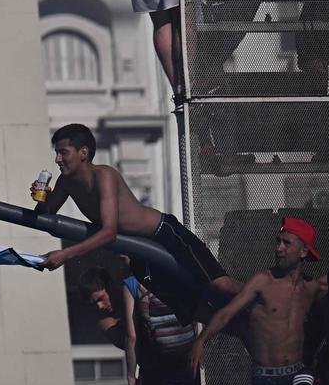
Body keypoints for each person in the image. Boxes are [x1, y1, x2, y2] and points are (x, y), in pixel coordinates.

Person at [34, 124, 240, 324]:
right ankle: (241, 329)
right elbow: (45, 216)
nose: (57, 159)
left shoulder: (104, 176)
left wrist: (65, 254)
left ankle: (266, 296)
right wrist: (41, 199)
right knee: (189, 307)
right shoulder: (65, 181)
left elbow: (109, 233)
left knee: (219, 284)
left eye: (63, 153)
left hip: (163, 234)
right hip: (138, 251)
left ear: (83, 153)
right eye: (57, 153)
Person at [189, 218, 326, 385]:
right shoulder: (263, 281)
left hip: (297, 374)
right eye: (278, 242)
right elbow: (227, 313)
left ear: (303, 251)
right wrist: (201, 340)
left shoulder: (311, 287)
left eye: (286, 243)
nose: (279, 248)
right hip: (265, 377)